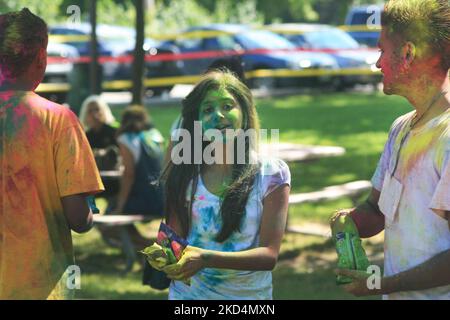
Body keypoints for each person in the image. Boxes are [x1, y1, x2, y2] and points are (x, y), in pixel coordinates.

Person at [330, 0, 450, 299]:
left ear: (408, 53)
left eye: (382, 49)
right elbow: (378, 211)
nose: (377, 62)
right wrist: (351, 220)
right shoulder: (401, 128)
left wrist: (381, 284)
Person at [150, 70, 290, 299]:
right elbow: (172, 243)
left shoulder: (272, 174)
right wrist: (164, 255)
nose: (218, 115)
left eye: (227, 106)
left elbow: (269, 256)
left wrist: (205, 258)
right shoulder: (185, 174)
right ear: (197, 123)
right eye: (207, 109)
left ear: (245, 113)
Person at [0, 8, 104, 299]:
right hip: (40, 285)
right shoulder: (59, 120)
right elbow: (78, 220)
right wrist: (88, 211)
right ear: (41, 59)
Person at [111, 106, 165, 247]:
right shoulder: (155, 135)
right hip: (163, 200)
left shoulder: (126, 139)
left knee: (109, 215)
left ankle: (148, 246)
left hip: (144, 200)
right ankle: (144, 246)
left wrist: (120, 206)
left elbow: (129, 175)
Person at [79, 95, 120, 198]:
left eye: (97, 109)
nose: (94, 114)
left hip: (114, 176)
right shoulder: (84, 135)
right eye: (90, 111)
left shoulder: (114, 131)